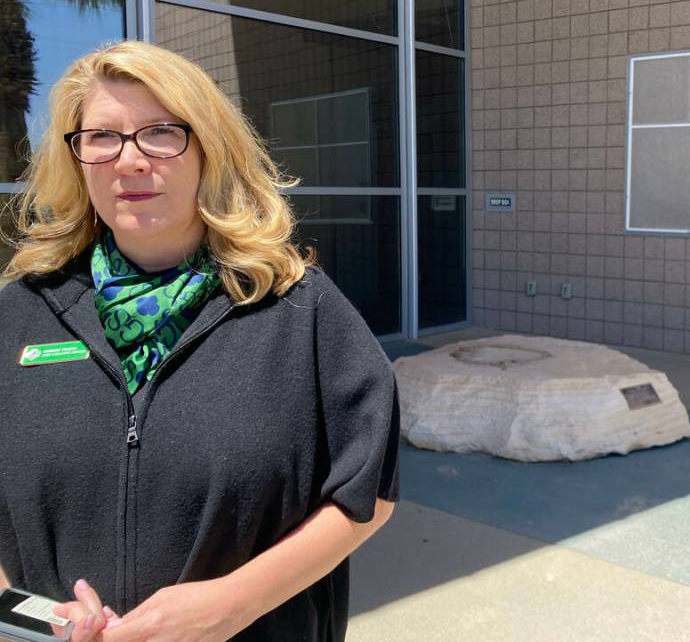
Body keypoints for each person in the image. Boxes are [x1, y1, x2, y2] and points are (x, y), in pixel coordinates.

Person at [0, 41, 400, 641]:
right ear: (78, 159)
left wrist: (234, 605)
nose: (130, 161)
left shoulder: (297, 305)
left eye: (161, 133)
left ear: (209, 149)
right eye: (102, 137)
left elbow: (367, 490)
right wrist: (19, 609)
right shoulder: (22, 311)